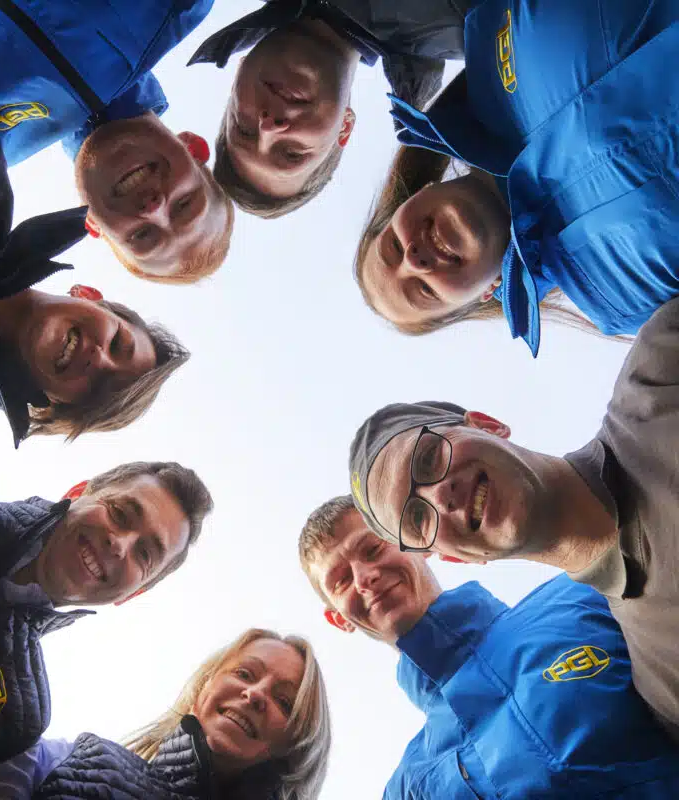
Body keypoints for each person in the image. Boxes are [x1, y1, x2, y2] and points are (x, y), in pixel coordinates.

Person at [347, 304, 679, 745]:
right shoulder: (662, 680)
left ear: (487, 424)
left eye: (429, 458)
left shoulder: (660, 372)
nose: (439, 497)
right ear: (451, 557)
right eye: (417, 518)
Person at [0, 53, 189, 483]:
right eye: (118, 343)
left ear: (57, 403)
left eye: (99, 388)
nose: (98, 358)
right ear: (89, 296)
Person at [0, 452, 213, 799]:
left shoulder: (18, 718)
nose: (120, 543)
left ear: (132, 593)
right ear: (79, 491)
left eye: (144, 555)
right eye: (119, 513)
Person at [355, 0, 679, 356]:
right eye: (425, 291)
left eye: (394, 247)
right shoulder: (621, 299)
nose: (414, 261)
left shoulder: (488, 33)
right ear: (487, 293)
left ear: (416, 195)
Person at [298, 496, 679, 797]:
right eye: (340, 580)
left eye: (372, 550)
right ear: (338, 618)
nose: (365, 577)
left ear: (414, 543)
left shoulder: (581, 597)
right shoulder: (409, 787)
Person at [0, 1, 235, 281]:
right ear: (193, 147)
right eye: (185, 204)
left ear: (92, 225)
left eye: (143, 236)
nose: (154, 208)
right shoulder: (169, 10)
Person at [0, 628, 331, 800]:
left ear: (293, 745)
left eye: (284, 702)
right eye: (245, 674)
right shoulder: (71, 759)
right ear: (203, 689)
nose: (255, 694)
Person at [188, 0, 471, 218]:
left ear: (238, 72)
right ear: (344, 127)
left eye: (244, 129)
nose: (269, 127)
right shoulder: (475, 23)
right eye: (292, 153)